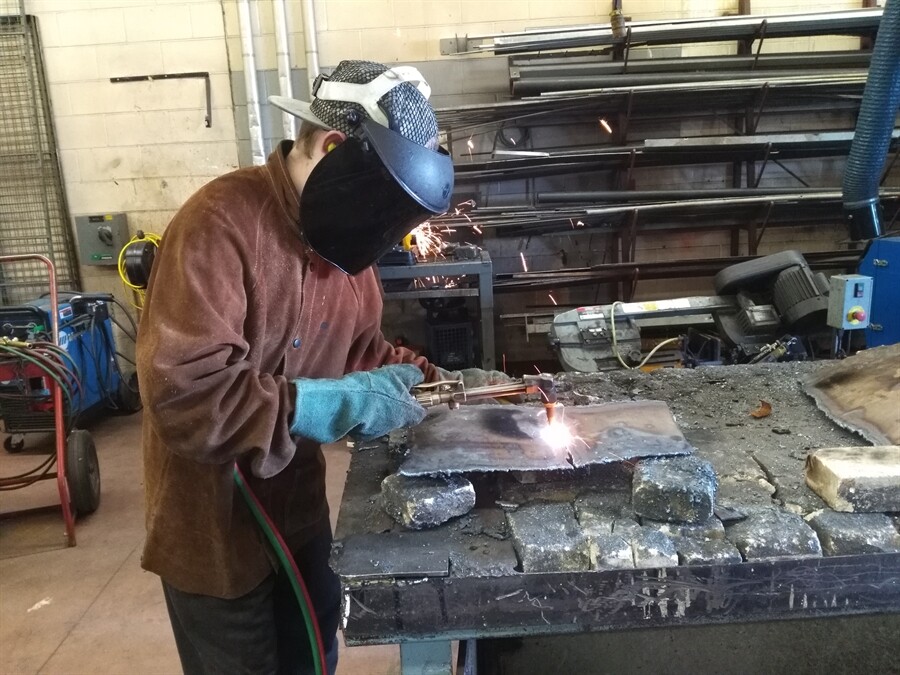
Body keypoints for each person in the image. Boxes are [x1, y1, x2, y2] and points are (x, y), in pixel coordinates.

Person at [137, 60, 503, 675]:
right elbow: (186, 398)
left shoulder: (342, 247)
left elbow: (364, 355)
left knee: (313, 655)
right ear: (334, 148)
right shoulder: (220, 224)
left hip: (299, 510)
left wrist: (444, 386)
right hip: (213, 527)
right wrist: (339, 403)